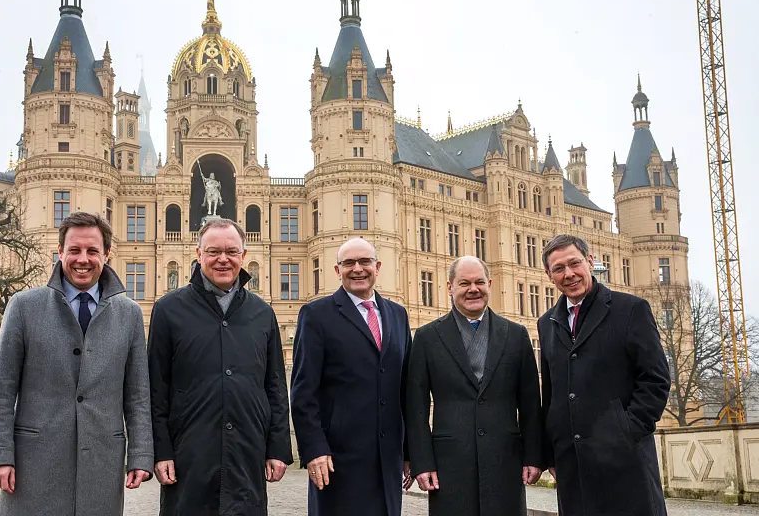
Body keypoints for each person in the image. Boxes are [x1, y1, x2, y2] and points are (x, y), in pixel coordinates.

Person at [0, 212, 153, 516]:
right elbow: (1, 389)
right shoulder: (24, 307)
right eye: (74, 250)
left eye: (92, 251)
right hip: (33, 464)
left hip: (101, 462)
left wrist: (141, 455)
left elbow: (138, 395)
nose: (82, 259)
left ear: (107, 254)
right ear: (60, 252)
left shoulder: (129, 314)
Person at [148, 218, 292, 515]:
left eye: (231, 251)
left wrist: (278, 448)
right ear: (198, 255)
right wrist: (160, 451)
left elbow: (275, 386)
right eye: (213, 252)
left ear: (243, 255)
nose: (222, 259)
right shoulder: (168, 310)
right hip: (190, 454)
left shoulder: (262, 313)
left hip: (246, 453)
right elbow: (155, 387)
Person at [538, 234, 670, 516]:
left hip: (625, 461)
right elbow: (550, 393)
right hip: (573, 466)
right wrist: (552, 451)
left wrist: (626, 430)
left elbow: (656, 379)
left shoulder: (631, 309)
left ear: (590, 261)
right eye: (559, 268)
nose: (569, 274)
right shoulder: (546, 323)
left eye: (574, 263)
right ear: (549, 275)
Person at [406, 256, 542, 515]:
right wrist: (422, 462)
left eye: (479, 282)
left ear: (490, 284)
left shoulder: (516, 335)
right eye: (464, 283)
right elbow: (416, 408)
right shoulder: (426, 338)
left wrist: (534, 456)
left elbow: (530, 405)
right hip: (449, 462)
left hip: (504, 459)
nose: (473, 289)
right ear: (450, 287)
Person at [291, 237, 413, 516]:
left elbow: (405, 388)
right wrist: (314, 449)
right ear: (337, 271)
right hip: (337, 460)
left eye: (364, 262)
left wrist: (409, 452)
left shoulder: (397, 315)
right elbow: (302, 392)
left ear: (377, 266)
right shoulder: (316, 315)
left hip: (387, 460)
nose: (357, 269)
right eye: (348, 263)